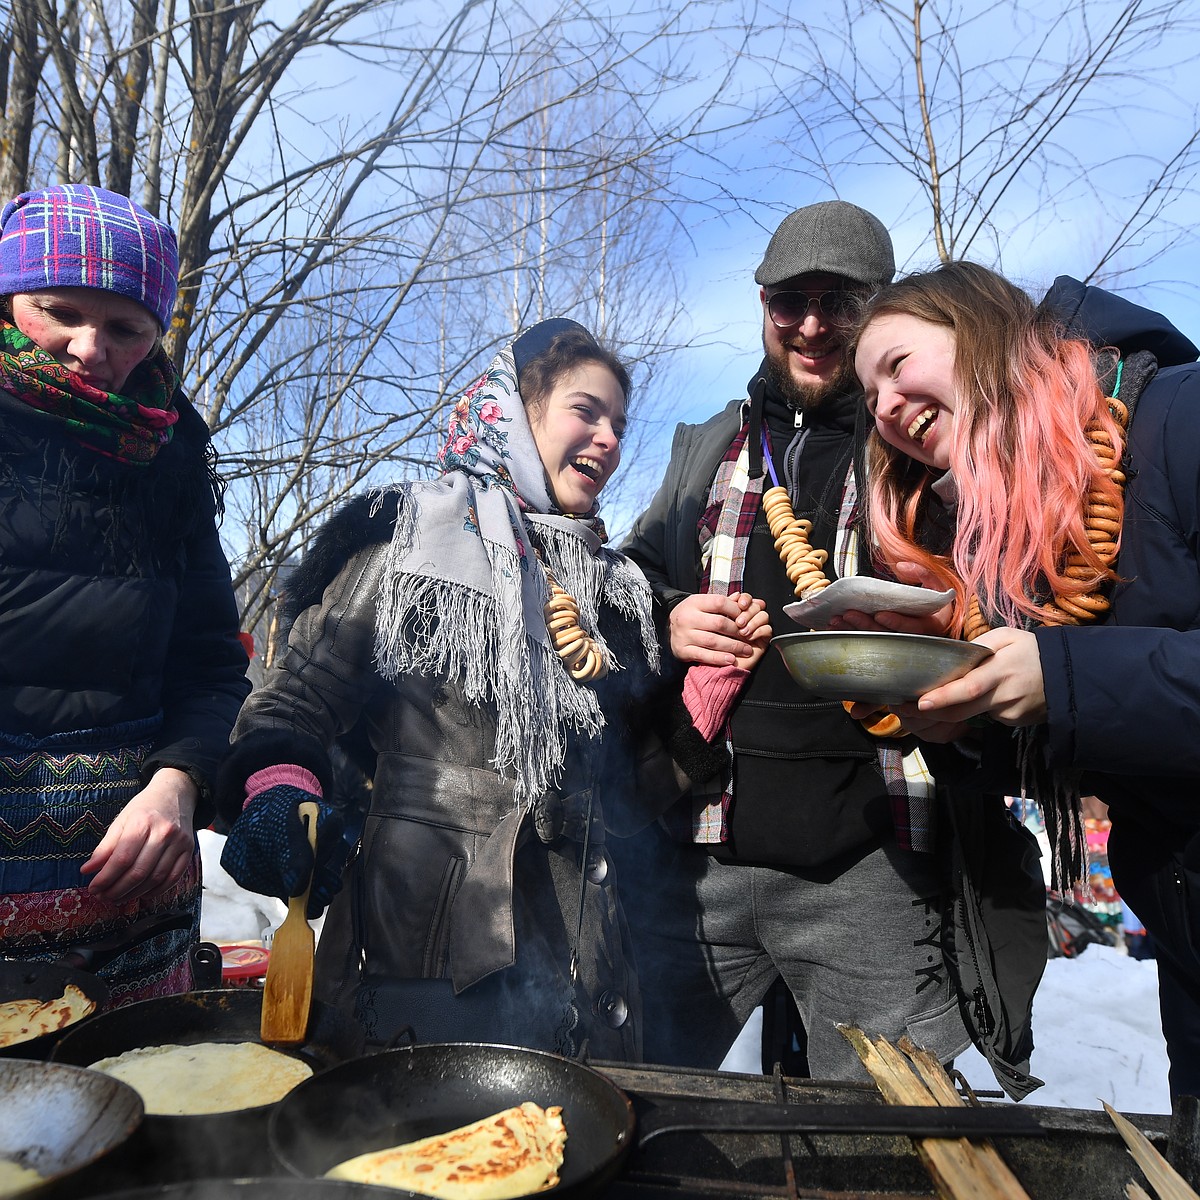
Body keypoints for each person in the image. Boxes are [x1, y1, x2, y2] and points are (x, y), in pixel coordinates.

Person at [614, 201, 1023, 1088]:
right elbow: (623, 587)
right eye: (787, 302)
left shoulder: (918, 436)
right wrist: (670, 613)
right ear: (761, 307)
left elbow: (1007, 593)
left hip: (872, 861)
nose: (808, 326)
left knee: (892, 1134)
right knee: (630, 1102)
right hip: (704, 852)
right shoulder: (706, 447)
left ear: (878, 310)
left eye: (837, 304)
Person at [217, 318, 664, 1060]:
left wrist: (700, 710)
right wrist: (278, 788)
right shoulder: (415, 546)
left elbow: (619, 778)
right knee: (429, 1148)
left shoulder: (609, 587)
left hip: (581, 928)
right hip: (435, 923)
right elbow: (299, 696)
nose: (610, 437)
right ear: (516, 415)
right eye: (586, 411)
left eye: (619, 422)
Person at [850, 259, 1200, 1099]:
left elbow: (1086, 681)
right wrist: (962, 724)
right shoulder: (1016, 538)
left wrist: (1064, 676)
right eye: (872, 402)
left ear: (980, 328)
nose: (889, 408)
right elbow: (1106, 741)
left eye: (898, 366)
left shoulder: (1180, 418)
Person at [0, 184, 250, 1004]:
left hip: (131, 892)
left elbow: (212, 665)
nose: (86, 347)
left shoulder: (172, 454)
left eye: (124, 328)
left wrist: (180, 782)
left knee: (139, 1107)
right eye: (58, 310)